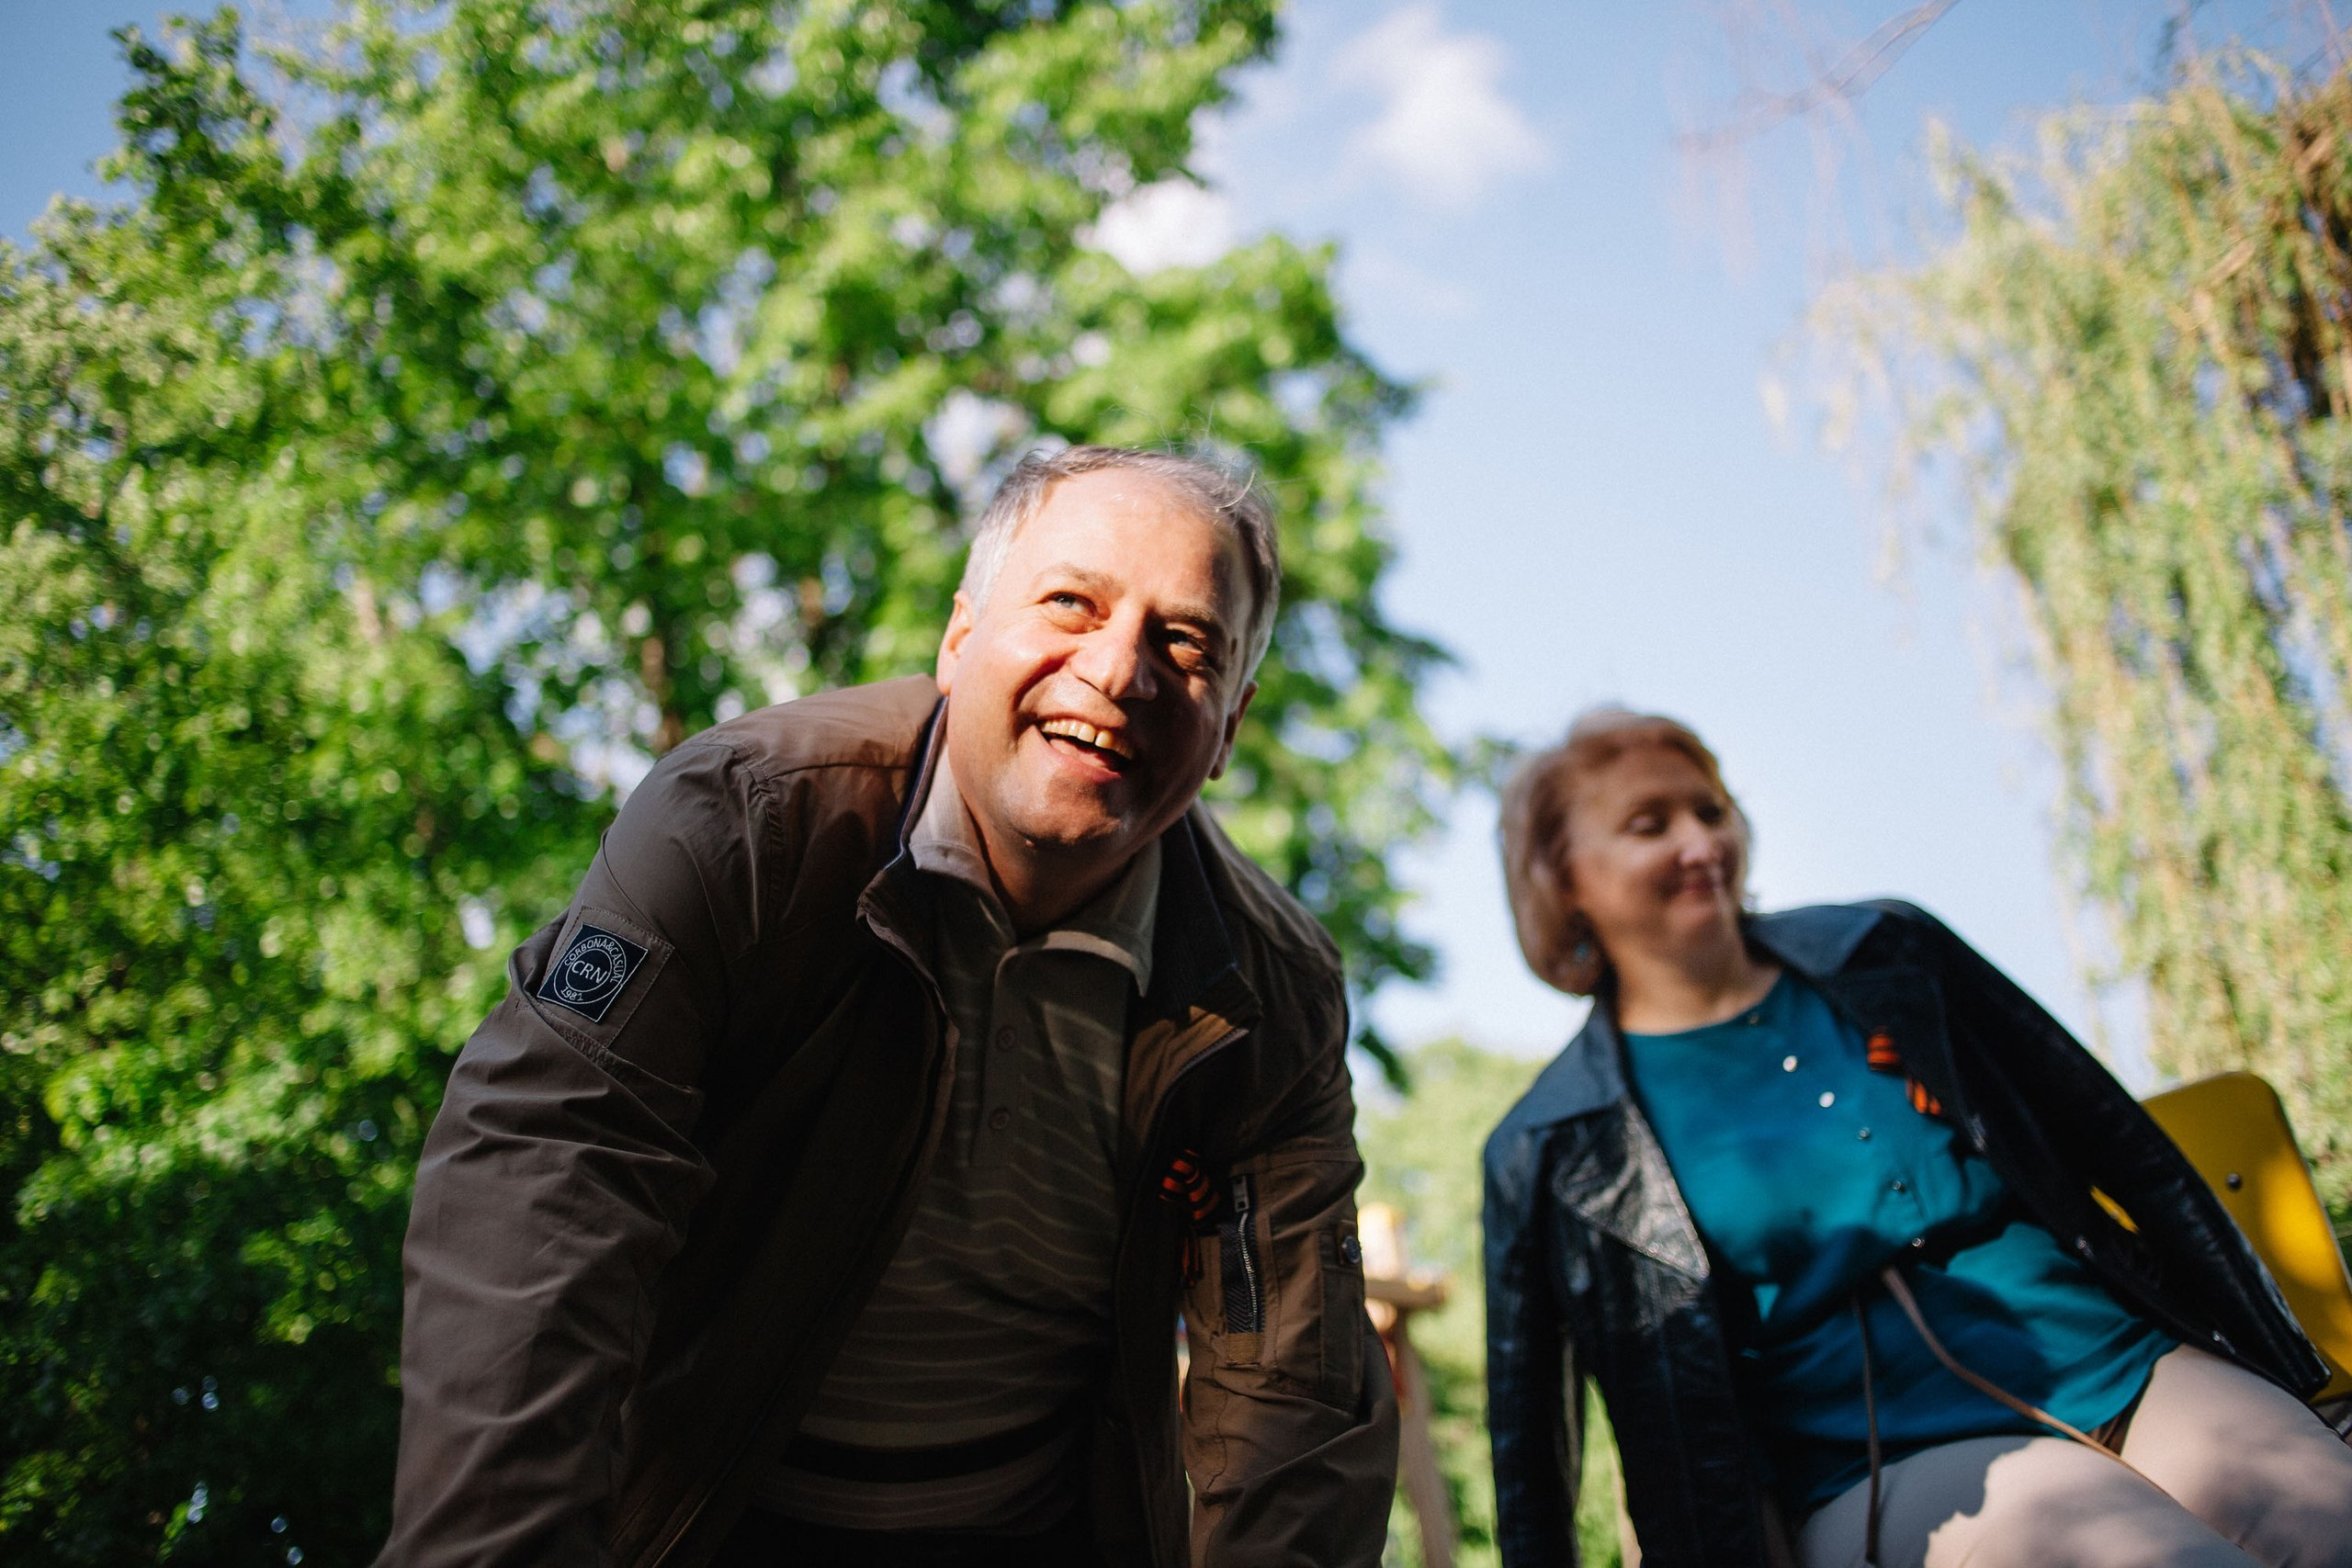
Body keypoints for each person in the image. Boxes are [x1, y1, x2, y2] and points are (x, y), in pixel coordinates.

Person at [379, 446, 1397, 1568]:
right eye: (1071, 602)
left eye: (1185, 642)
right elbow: (547, 1178)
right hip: (705, 1512)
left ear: (1230, 727)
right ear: (960, 635)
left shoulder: (1271, 996)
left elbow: (1291, 1386)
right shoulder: (742, 825)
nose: (1117, 670)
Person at [1481, 707, 2352, 1568]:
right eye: (1649, 824)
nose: (1701, 841)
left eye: (1711, 810)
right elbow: (1533, 1449)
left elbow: (2120, 1144)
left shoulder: (1891, 950)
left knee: (2330, 1513)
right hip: (1885, 1463)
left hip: (2116, 1359)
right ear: (1564, 880)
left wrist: (2286, 1363)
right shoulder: (1554, 1143)